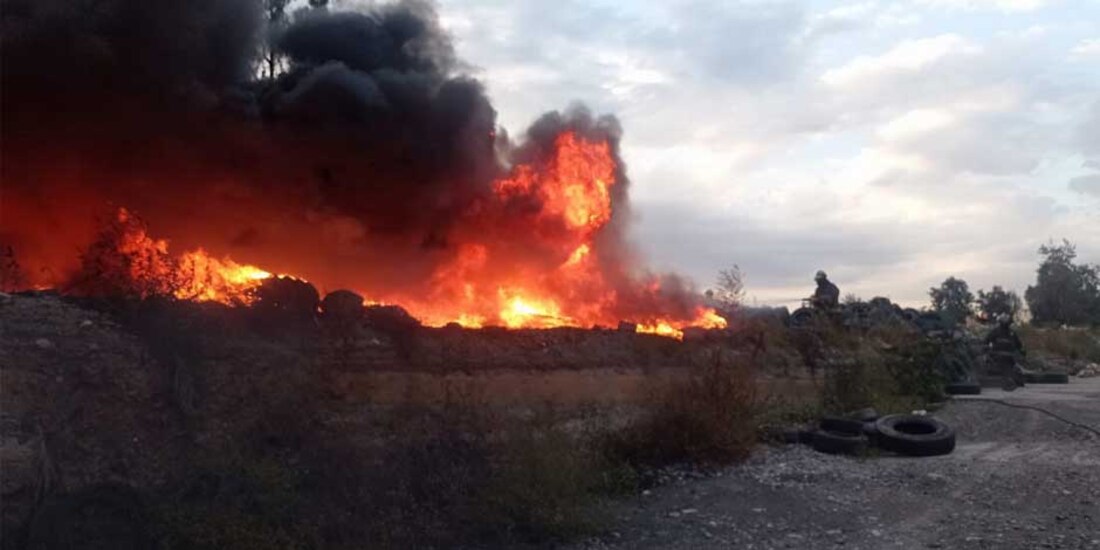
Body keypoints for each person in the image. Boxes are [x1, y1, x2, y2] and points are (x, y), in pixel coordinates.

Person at [985, 314, 1026, 390]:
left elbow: (1018, 345)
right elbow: (986, 341)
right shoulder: (996, 332)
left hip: (1010, 357)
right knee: (1006, 366)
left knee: (1012, 368)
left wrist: (1021, 352)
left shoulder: (1012, 333)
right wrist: (988, 351)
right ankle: (1008, 380)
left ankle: (1010, 380)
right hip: (997, 356)